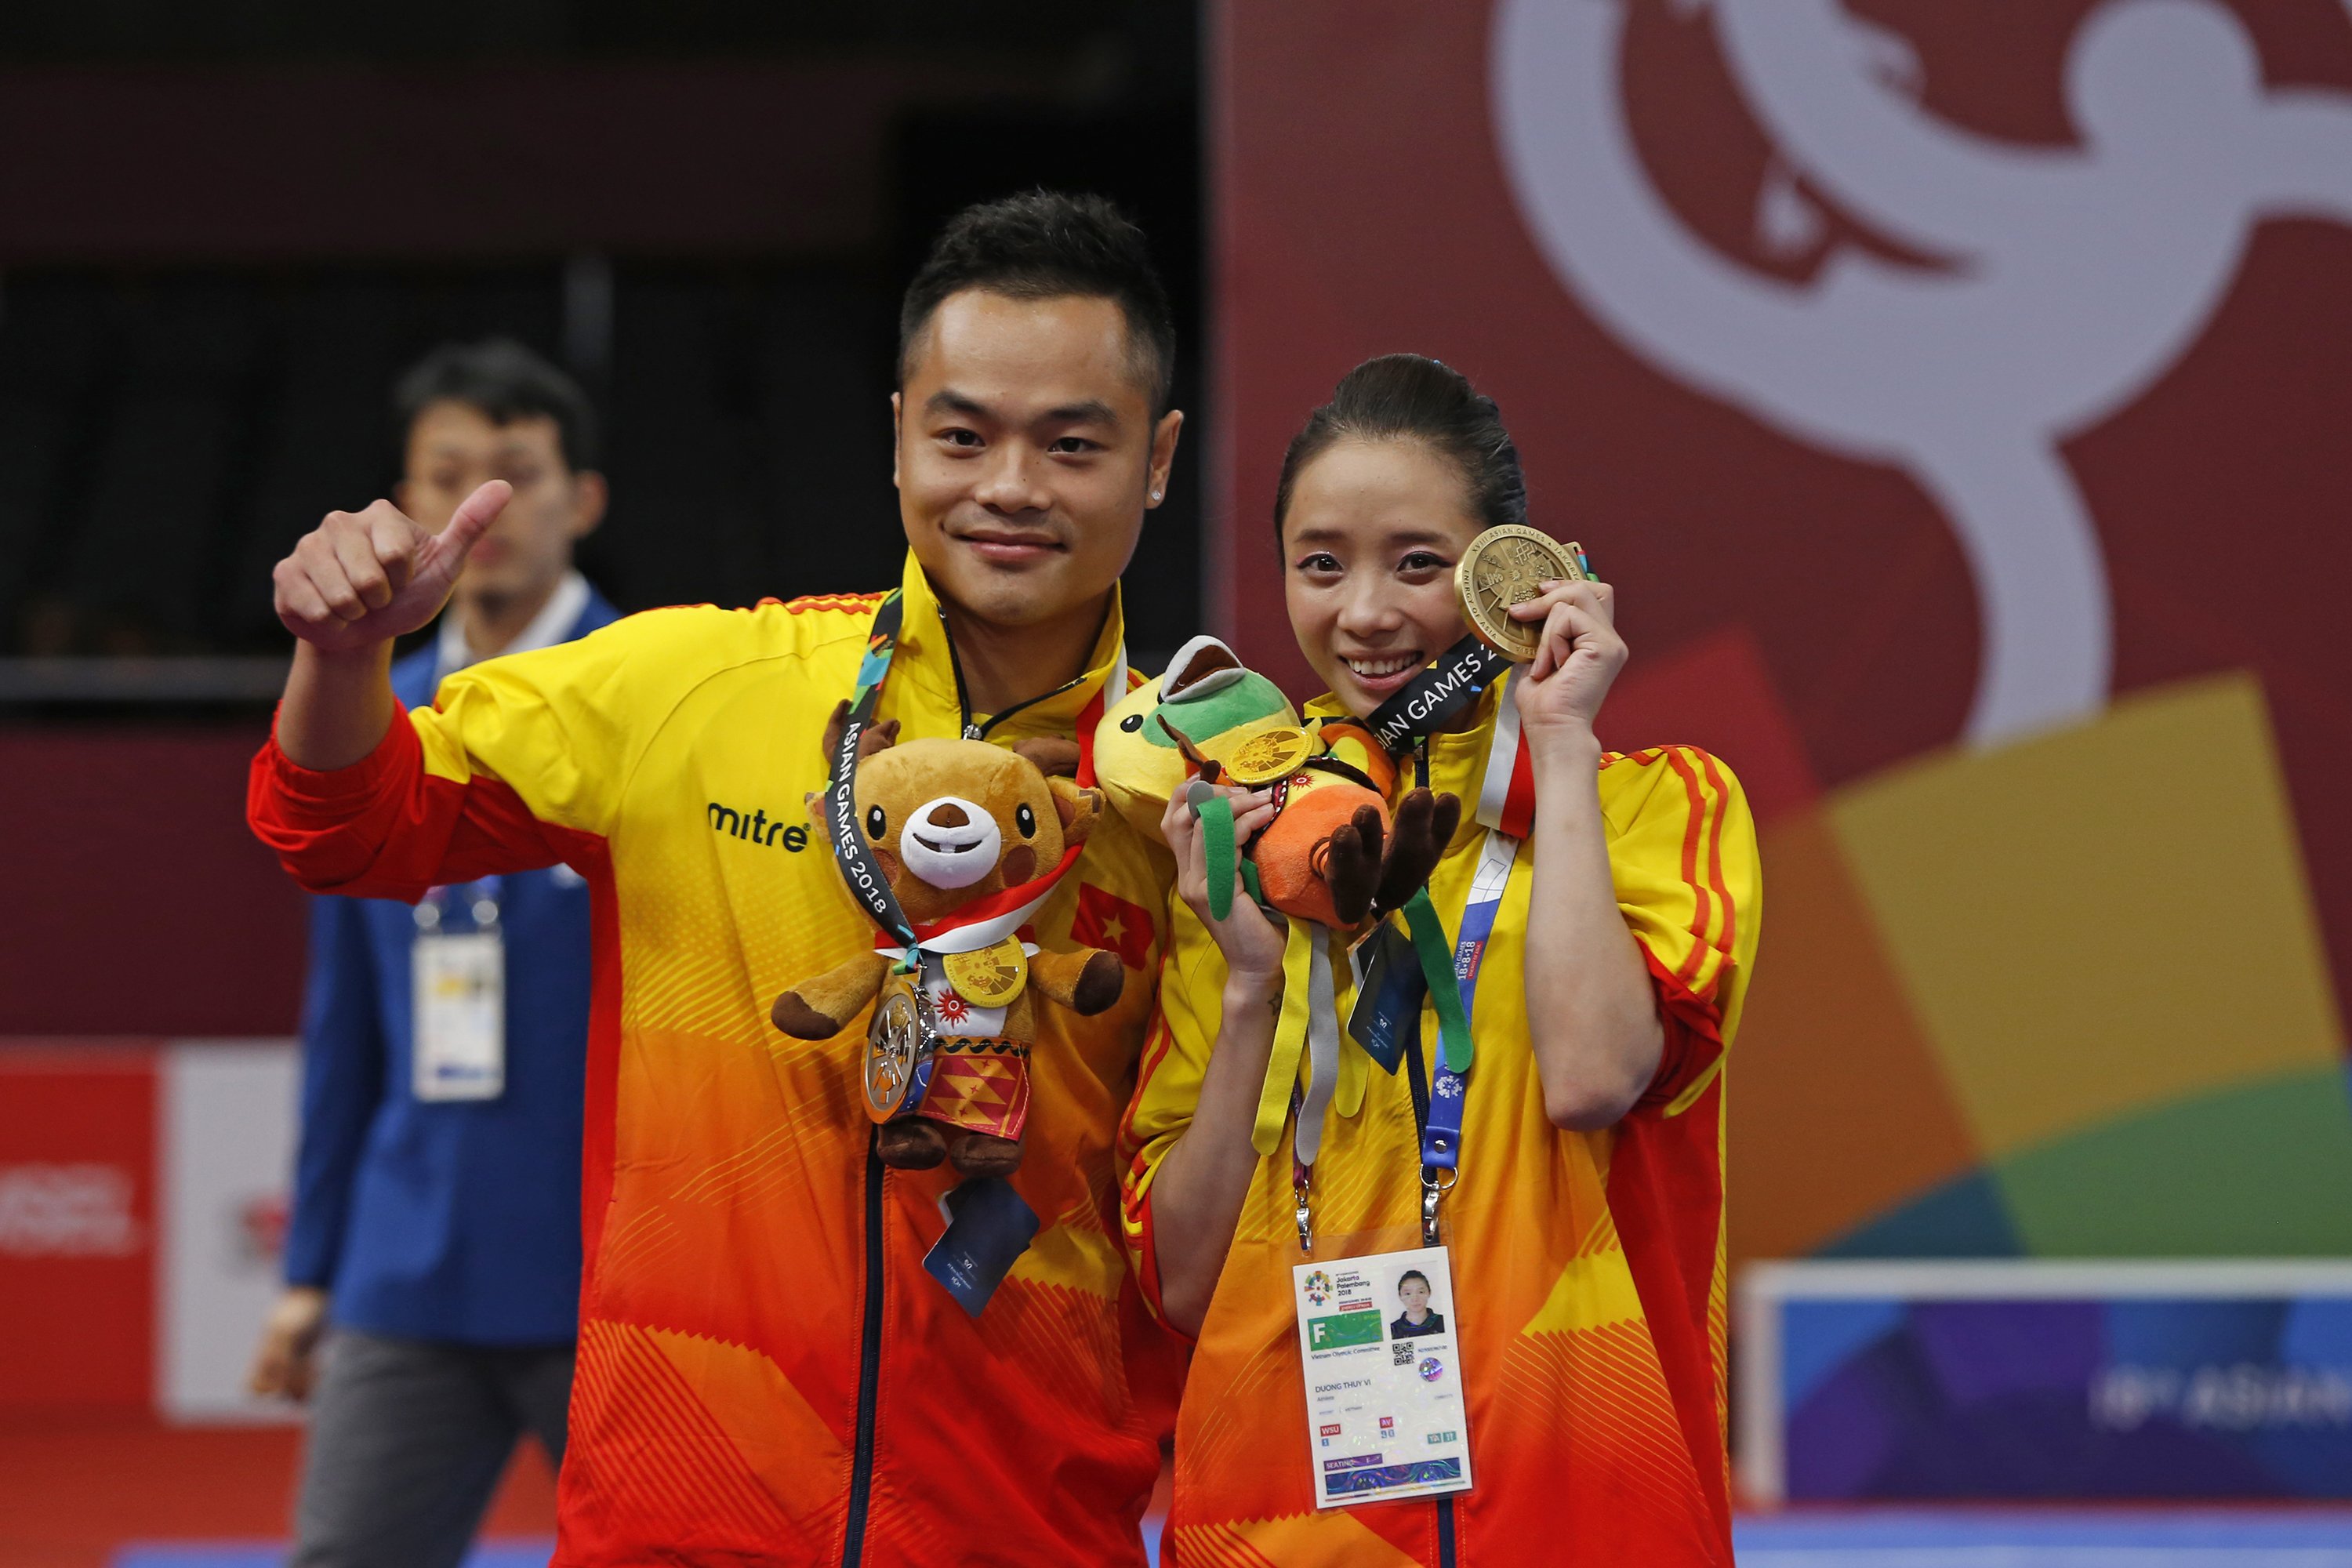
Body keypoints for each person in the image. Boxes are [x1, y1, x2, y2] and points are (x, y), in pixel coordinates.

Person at [249, 192, 1187, 1567]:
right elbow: (347, 828)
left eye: (1073, 445)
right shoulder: (696, 689)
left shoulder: (1192, 798)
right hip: (683, 1520)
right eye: (962, 435)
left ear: (1158, 460)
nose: (1010, 486)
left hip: (1026, 1528)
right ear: (897, 437)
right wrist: (342, 659)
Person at [1120, 355, 1760, 1564]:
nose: (1364, 613)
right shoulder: (1239, 843)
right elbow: (1188, 1285)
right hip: (1283, 1527)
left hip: (1580, 1512)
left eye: (1417, 563)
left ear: (1507, 576)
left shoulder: (1655, 811)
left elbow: (1593, 1079)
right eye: (1321, 564)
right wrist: (1251, 983)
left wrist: (1558, 743)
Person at [245, 339, 617, 1568]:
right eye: (446, 476)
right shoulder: (357, 707)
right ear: (403, 501)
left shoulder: (656, 696)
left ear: (583, 499)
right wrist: (311, 1271)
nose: (477, 512)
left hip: (613, 1273)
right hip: (408, 1271)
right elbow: (346, 1025)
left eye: (514, 476)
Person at [1389, 1269, 1444, 1339]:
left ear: (1429, 1293)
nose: (1415, 1299)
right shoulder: (1393, 1330)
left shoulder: (1443, 1322)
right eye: (1408, 1294)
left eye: (1421, 1292)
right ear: (1400, 1296)